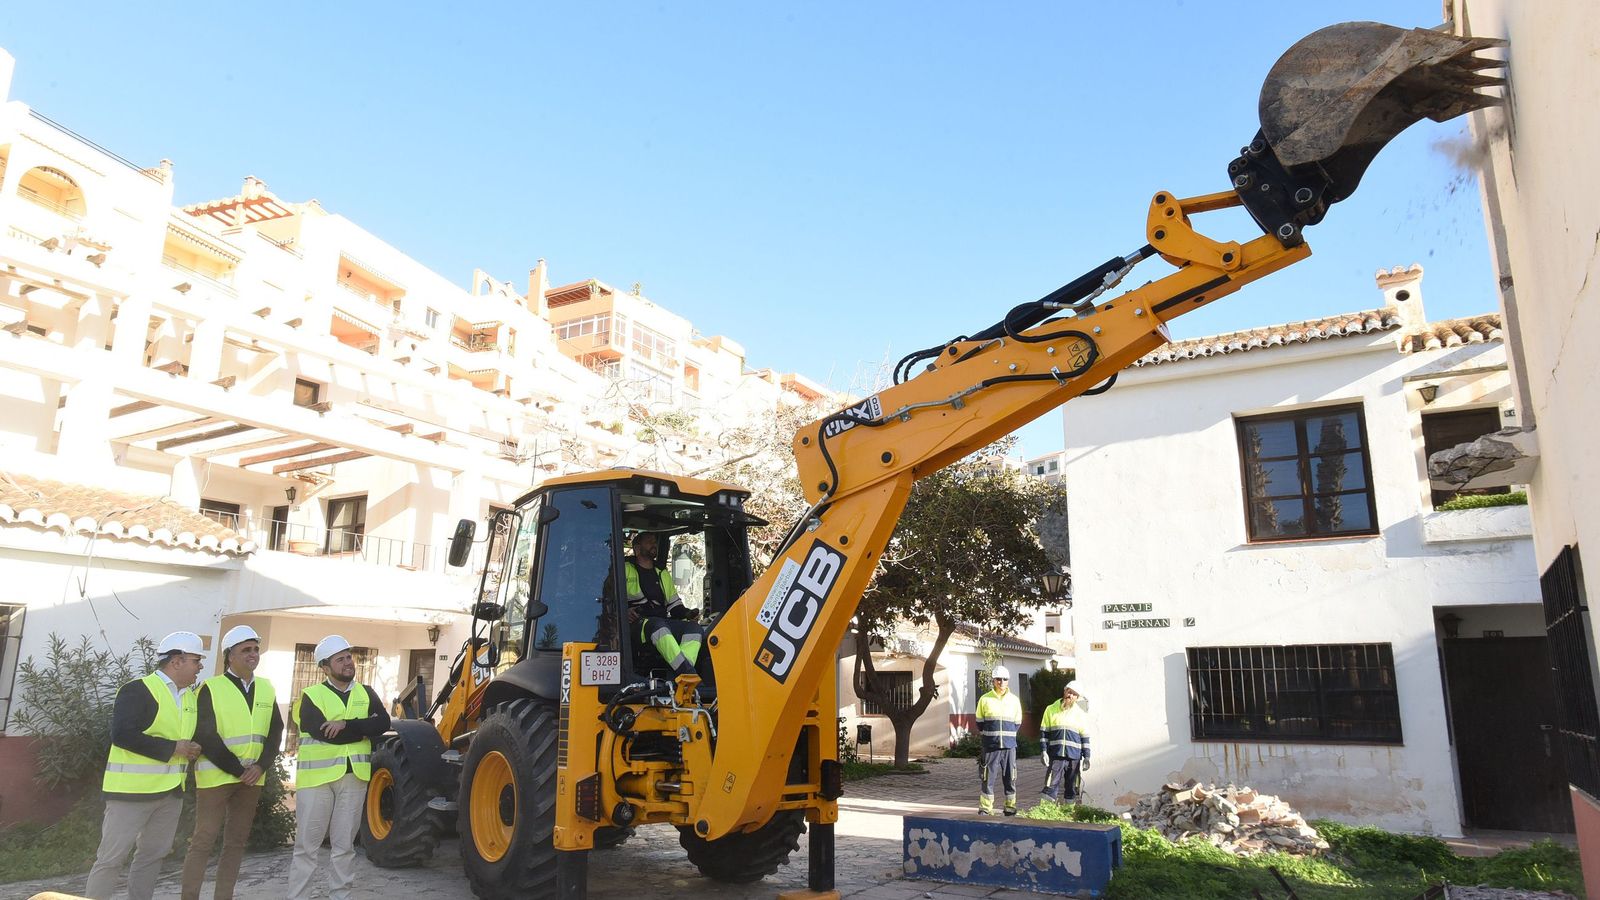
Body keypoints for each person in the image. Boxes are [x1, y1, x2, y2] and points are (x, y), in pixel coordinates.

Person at [85, 631, 206, 900]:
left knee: (152, 857)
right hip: (130, 793)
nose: (200, 667)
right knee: (110, 859)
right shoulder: (136, 690)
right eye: (197, 660)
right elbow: (122, 734)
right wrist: (174, 748)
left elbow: (180, 736)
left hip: (170, 793)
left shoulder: (188, 697)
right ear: (177, 661)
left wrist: (191, 748)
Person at [181, 625, 285, 900]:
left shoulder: (266, 687)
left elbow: (276, 731)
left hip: (252, 779)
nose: (253, 654)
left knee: (236, 843)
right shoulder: (210, 688)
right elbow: (205, 734)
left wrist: (260, 766)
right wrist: (239, 770)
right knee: (203, 841)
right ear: (230, 656)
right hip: (217, 776)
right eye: (246, 650)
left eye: (255, 649)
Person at [287, 635, 390, 900]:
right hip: (317, 781)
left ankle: (339, 896)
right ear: (325, 667)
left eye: (348, 657)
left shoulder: (366, 693)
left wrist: (346, 724)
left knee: (344, 847)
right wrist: (362, 728)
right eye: (340, 659)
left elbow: (383, 724)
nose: (348, 663)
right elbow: (323, 732)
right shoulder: (311, 696)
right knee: (307, 848)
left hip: (353, 778)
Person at [626, 532, 703, 677]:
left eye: (655, 542)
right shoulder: (625, 569)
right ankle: (688, 674)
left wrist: (688, 614)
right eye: (649, 542)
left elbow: (674, 607)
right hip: (637, 624)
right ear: (637, 548)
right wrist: (625, 611)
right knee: (660, 628)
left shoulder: (662, 573)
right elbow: (612, 600)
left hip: (660, 621)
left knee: (694, 628)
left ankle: (682, 672)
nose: (653, 545)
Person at [974, 665, 1023, 816]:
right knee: (987, 777)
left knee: (1010, 778)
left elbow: (1017, 722)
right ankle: (985, 808)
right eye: (998, 679)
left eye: (1004, 679)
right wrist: (990, 737)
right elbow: (979, 721)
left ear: (1008, 681)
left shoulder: (1014, 700)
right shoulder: (985, 699)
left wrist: (1007, 737)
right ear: (993, 681)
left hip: (1009, 747)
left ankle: (1010, 807)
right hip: (990, 747)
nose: (1001, 682)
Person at [1040, 680, 1091, 803]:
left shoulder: (1080, 714)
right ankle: (1046, 815)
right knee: (1050, 786)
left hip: (1074, 756)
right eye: (1069, 692)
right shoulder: (1050, 709)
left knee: (1071, 788)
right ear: (1065, 691)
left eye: (1074, 694)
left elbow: (1085, 736)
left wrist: (1087, 757)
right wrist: (1043, 751)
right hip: (1056, 755)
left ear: (1077, 698)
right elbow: (1044, 733)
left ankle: (1068, 816)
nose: (1070, 696)